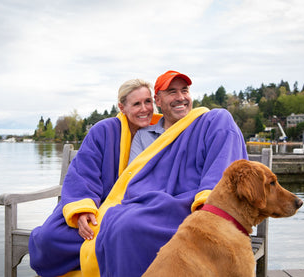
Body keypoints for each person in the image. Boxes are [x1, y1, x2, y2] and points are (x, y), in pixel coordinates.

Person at [78, 70, 248, 277]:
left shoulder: (205, 125)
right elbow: (137, 177)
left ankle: (211, 211)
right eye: (172, 92)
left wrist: (207, 202)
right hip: (155, 202)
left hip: (192, 204)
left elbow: (221, 163)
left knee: (223, 115)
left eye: (184, 91)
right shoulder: (143, 136)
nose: (180, 97)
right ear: (158, 100)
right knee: (123, 225)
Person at [28, 78, 160, 277]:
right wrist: (82, 210)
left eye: (148, 101)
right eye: (136, 104)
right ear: (122, 107)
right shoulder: (103, 131)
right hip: (95, 207)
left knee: (126, 236)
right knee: (48, 239)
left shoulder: (163, 131)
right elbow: (82, 172)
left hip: (132, 210)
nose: (144, 109)